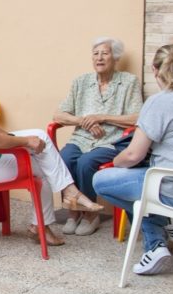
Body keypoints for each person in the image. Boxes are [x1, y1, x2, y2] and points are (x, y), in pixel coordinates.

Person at [0, 38, 103, 247]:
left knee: (40, 139)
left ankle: (66, 193)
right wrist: (25, 141)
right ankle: (47, 217)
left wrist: (23, 140)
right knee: (43, 169)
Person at [93, 44, 173, 276]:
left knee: (101, 181)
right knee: (143, 188)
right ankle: (158, 233)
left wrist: (117, 163)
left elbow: (134, 155)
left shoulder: (159, 102)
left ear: (155, 70)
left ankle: (156, 238)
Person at [53, 37, 142, 237]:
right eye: (95, 54)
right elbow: (59, 115)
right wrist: (84, 121)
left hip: (110, 141)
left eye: (105, 53)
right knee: (64, 159)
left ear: (115, 57)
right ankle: (73, 211)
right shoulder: (81, 82)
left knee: (86, 162)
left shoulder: (128, 82)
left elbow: (138, 117)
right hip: (81, 139)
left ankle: (90, 215)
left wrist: (102, 117)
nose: (99, 58)